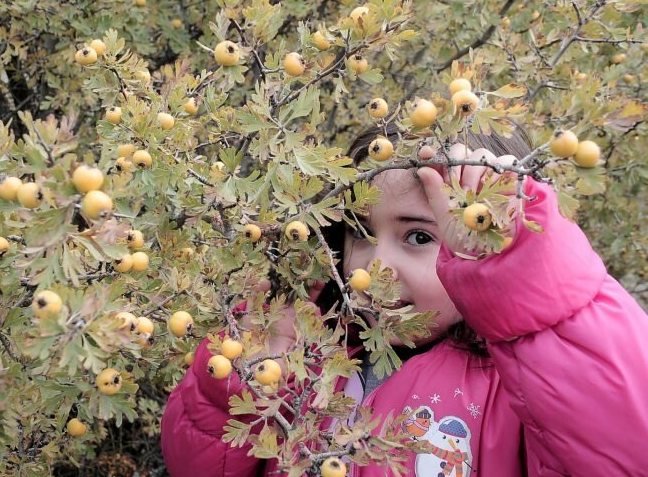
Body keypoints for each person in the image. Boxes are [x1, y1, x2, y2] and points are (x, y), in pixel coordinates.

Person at [160, 121, 648, 476]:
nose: (374, 267)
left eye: (418, 238)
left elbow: (622, 448)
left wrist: (526, 291)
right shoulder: (309, 353)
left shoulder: (522, 396)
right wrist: (234, 391)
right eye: (360, 233)